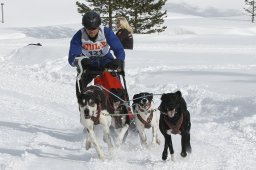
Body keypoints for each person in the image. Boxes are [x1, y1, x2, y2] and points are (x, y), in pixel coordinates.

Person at [68, 11, 125, 97]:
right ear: (84, 27)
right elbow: (72, 58)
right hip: (88, 63)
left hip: (106, 60)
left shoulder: (106, 32)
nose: (91, 31)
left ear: (98, 26)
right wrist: (80, 61)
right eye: (88, 28)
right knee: (80, 86)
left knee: (115, 84)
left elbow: (119, 49)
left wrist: (119, 60)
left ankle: (119, 102)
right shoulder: (79, 35)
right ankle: (85, 104)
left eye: (94, 28)